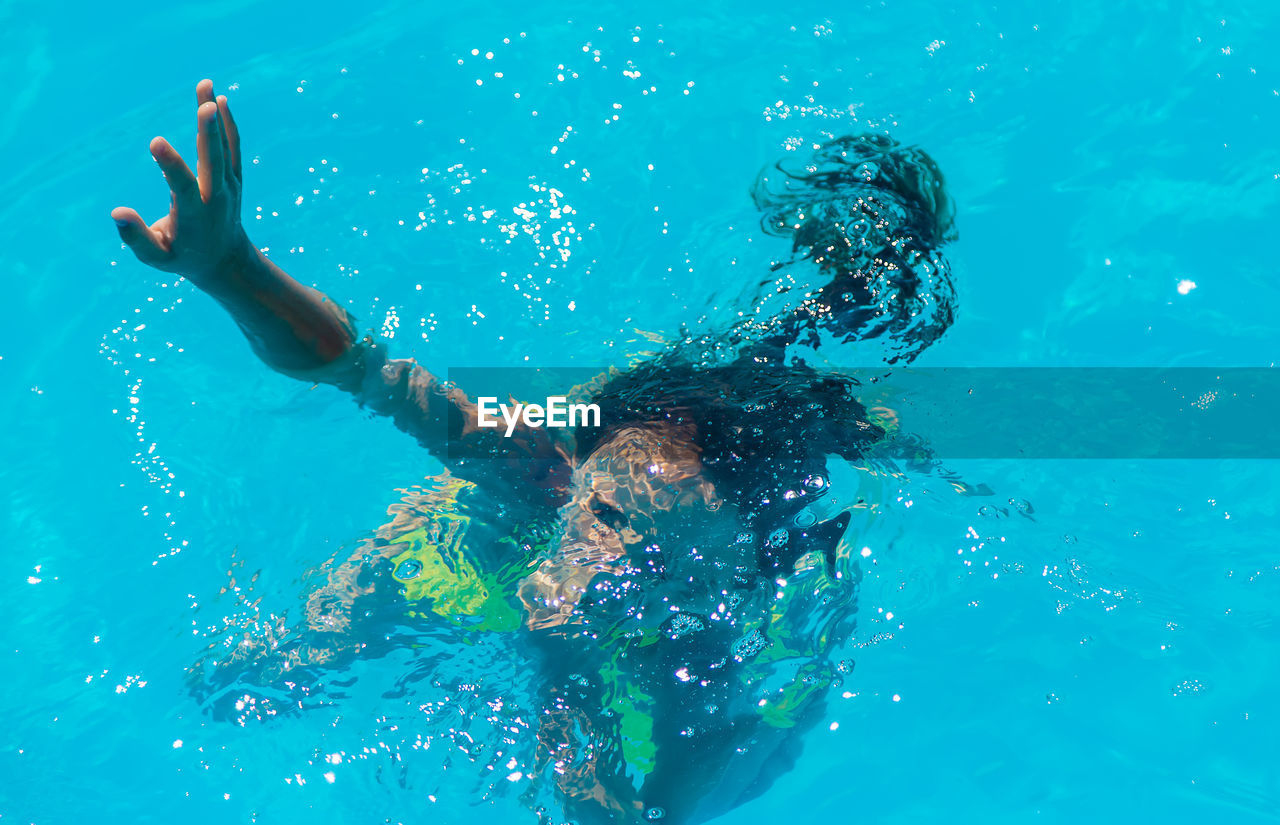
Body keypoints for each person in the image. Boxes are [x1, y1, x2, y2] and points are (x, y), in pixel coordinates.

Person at [113, 79, 958, 824]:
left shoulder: (722, 620)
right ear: (576, 476)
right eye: (602, 518)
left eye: (630, 544)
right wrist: (230, 268)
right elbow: (361, 368)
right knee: (256, 673)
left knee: (716, 767)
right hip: (551, 490)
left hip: (727, 536)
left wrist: (580, 745)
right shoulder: (540, 453)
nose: (579, 573)